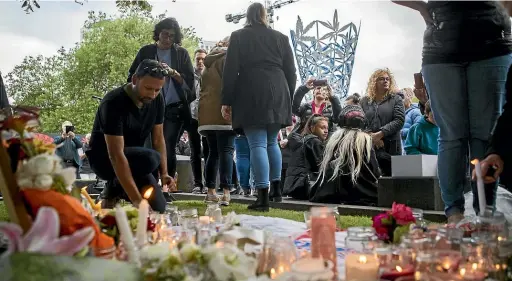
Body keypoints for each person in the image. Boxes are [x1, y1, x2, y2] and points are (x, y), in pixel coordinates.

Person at [394, 1, 512, 222]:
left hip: (490, 41)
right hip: (446, 45)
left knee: (479, 136)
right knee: (454, 135)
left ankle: (481, 213)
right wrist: (420, 6)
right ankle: (457, 215)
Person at [221, 2, 297, 211]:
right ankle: (277, 191)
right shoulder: (281, 38)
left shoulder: (238, 36)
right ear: (265, 15)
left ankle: (262, 198)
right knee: (272, 142)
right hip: (278, 88)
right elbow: (291, 72)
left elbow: (230, 71)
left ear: (247, 16)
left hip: (250, 90)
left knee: (257, 144)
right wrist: (288, 97)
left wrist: (226, 100)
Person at [87, 59, 173, 212]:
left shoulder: (157, 99)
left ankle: (114, 190)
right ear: (134, 79)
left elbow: (158, 139)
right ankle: (112, 187)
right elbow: (116, 155)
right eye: (148, 88)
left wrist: (165, 173)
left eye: (157, 90)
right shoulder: (113, 102)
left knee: (158, 209)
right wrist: (137, 200)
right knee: (151, 158)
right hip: (105, 160)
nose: (153, 95)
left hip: (136, 161)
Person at [127, 18, 195, 189]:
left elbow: (189, 83)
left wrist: (173, 73)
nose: (168, 39)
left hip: (174, 107)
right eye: (165, 34)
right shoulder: (146, 51)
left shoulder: (182, 54)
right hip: (149, 105)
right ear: (158, 33)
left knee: (167, 144)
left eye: (172, 36)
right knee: (148, 144)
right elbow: (132, 77)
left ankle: (167, 183)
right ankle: (148, 184)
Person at [309, 105, 380, 205]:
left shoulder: (335, 139)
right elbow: (374, 170)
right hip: (361, 191)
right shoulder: (365, 140)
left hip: (332, 191)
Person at [198, 37, 235, 206]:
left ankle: (210, 192)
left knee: (212, 152)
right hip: (223, 111)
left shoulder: (208, 62)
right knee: (226, 150)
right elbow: (231, 85)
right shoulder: (228, 59)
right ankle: (226, 192)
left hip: (206, 113)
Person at [360, 68, 405, 176]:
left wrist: (380, 134)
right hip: (369, 146)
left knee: (391, 181)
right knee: (370, 178)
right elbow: (360, 122)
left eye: (387, 79)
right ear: (374, 82)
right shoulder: (364, 101)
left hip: (391, 147)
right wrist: (371, 137)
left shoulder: (396, 99)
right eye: (381, 79)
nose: (385, 81)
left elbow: (399, 120)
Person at [283, 114, 328, 200]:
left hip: (295, 187)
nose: (326, 131)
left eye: (327, 128)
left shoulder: (302, 140)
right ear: (312, 128)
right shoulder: (314, 141)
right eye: (322, 128)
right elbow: (320, 166)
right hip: (305, 186)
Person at [186, 48, 207, 194]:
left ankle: (208, 183)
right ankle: (197, 184)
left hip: (207, 117)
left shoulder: (210, 75)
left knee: (208, 150)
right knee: (194, 151)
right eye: (198, 59)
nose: (200, 61)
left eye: (202, 59)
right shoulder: (189, 76)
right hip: (192, 116)